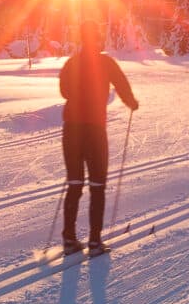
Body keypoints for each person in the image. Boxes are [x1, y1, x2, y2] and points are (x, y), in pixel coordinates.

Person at [57, 22, 139, 254]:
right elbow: (122, 84)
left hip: (71, 129)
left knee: (74, 184)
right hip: (94, 129)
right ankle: (94, 241)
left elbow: (64, 91)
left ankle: (69, 239)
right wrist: (131, 102)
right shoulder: (106, 62)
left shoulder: (72, 63)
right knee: (97, 185)